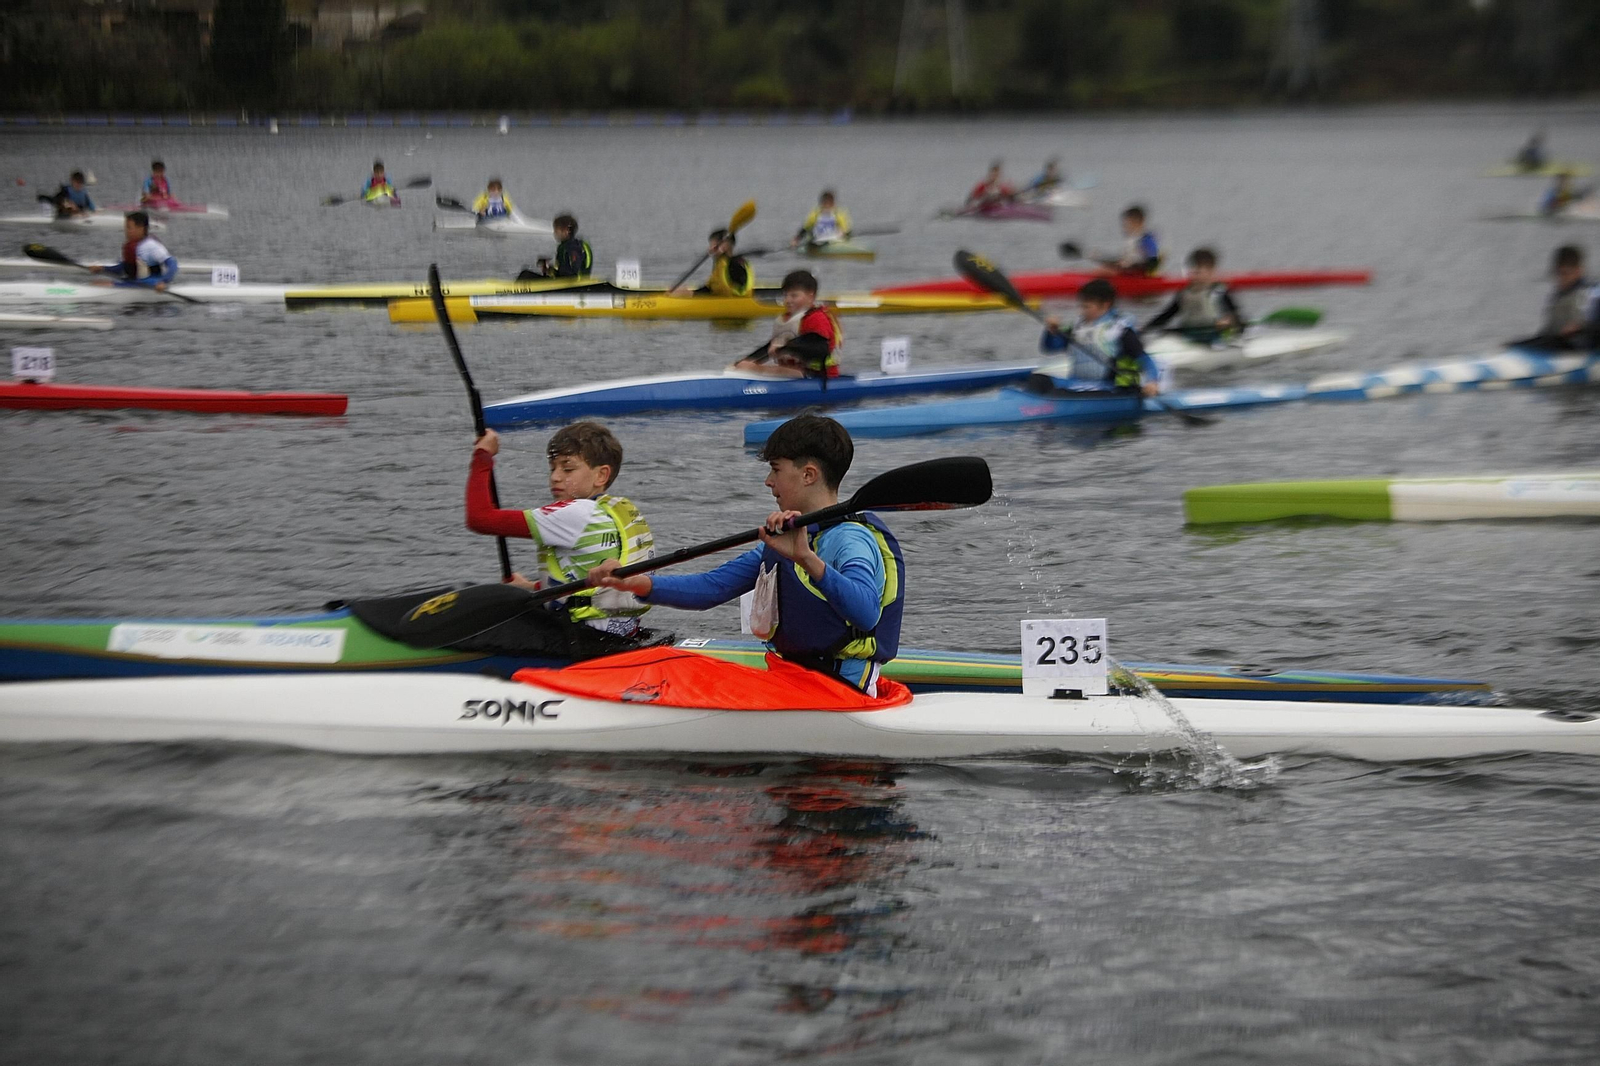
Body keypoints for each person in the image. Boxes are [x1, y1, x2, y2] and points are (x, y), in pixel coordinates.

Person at [589, 414, 903, 695]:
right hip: (796, 677)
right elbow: (711, 589)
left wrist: (806, 559)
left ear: (809, 474)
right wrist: (634, 582)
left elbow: (866, 614)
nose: (768, 481)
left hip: (841, 692)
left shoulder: (850, 539)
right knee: (672, 667)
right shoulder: (789, 539)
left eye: (776, 470)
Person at [465, 422, 654, 637]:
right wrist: (529, 586)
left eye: (567, 468)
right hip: (621, 632)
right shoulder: (617, 511)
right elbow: (585, 584)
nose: (555, 477)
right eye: (552, 468)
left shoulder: (574, 513)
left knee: (482, 622)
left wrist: (482, 456)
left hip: (581, 638)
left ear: (601, 475)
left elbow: (479, 518)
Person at [1037, 278, 1161, 396]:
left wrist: (1152, 382)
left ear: (1105, 305)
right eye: (1081, 306)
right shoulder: (1078, 327)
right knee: (1038, 380)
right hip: (1077, 384)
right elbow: (1050, 348)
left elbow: (1144, 359)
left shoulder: (1119, 330)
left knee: (1057, 393)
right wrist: (1051, 331)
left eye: (1087, 307)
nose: (1082, 311)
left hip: (1109, 388)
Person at [733, 270, 842, 379]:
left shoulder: (817, 318)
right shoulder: (788, 319)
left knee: (755, 370)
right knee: (745, 365)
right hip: (796, 373)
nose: (788, 300)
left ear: (810, 296)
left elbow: (820, 348)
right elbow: (769, 348)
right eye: (785, 295)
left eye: (794, 296)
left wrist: (786, 347)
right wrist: (746, 361)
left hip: (818, 376)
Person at [1143, 247, 1243, 342]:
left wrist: (1228, 322)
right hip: (1189, 336)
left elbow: (1237, 318)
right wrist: (1145, 329)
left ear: (1211, 271)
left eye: (1198, 271)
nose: (1194, 275)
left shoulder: (1220, 292)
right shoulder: (1184, 293)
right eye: (1192, 271)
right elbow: (1166, 315)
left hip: (1214, 337)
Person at [1515, 245, 1598, 351]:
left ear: (1579, 271)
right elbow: (1548, 334)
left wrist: (1581, 328)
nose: (1561, 279)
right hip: (1557, 346)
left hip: (1581, 350)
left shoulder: (1593, 293)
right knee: (1515, 345)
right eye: (1558, 274)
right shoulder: (1558, 297)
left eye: (1566, 273)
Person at [89, 211, 177, 290]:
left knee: (99, 285)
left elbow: (172, 263)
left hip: (149, 285)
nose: (125, 231)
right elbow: (123, 268)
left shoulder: (151, 245)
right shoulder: (134, 245)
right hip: (135, 282)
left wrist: (163, 281)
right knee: (97, 282)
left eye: (129, 227)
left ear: (141, 228)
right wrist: (102, 269)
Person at [1096, 205, 1161, 276]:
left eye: (1127, 223)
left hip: (1136, 272)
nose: (1124, 227)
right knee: (1103, 268)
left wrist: (1134, 267)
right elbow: (1125, 258)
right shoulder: (1132, 239)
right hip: (1127, 269)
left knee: (1104, 271)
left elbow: (1153, 259)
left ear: (1138, 222)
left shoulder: (1146, 239)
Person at [686, 229, 753, 296]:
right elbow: (710, 288)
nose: (710, 249)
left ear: (725, 246)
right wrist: (692, 293)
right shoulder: (721, 264)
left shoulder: (735, 265)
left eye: (714, 245)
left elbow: (740, 292)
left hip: (733, 303)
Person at [526, 214, 592, 279]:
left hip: (574, 285)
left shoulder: (573, 247)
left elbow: (572, 272)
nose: (554, 233)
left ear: (566, 231)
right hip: (565, 282)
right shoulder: (564, 247)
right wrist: (548, 269)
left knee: (525, 275)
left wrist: (553, 273)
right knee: (526, 273)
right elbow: (563, 272)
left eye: (556, 230)